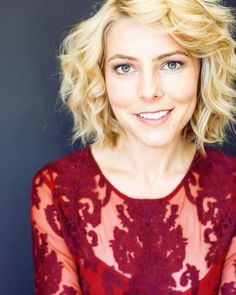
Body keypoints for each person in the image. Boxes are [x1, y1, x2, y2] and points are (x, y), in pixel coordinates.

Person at [30, 0, 236, 294]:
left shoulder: (233, 187)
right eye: (125, 67)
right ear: (100, 78)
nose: (149, 91)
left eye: (172, 64)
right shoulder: (56, 189)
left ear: (202, 71)